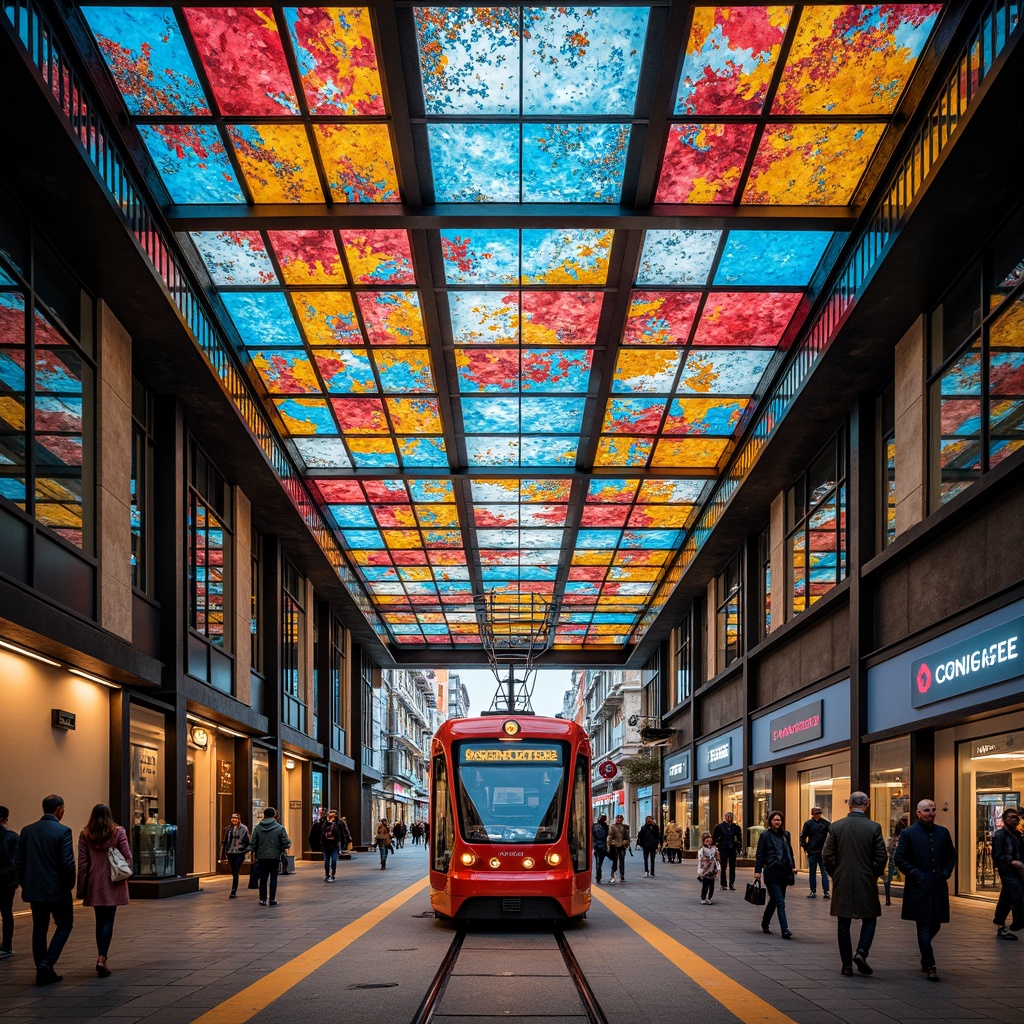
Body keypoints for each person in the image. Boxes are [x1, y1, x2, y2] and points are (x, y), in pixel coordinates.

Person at [822, 791, 887, 977]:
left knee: (843, 922)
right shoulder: (874, 827)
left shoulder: (835, 827)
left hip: (842, 879)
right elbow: (882, 855)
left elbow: (827, 855)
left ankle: (846, 965)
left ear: (849, 804)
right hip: (866, 879)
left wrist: (835, 872)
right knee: (870, 917)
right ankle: (861, 952)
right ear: (867, 803)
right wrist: (873, 874)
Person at [894, 798, 957, 981]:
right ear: (918, 813)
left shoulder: (942, 833)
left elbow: (951, 856)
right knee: (922, 925)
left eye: (933, 810)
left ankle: (925, 955)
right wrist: (916, 874)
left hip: (937, 884)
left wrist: (946, 872)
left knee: (935, 923)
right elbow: (900, 858)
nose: (931, 813)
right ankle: (930, 965)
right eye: (927, 810)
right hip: (919, 886)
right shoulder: (909, 833)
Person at [15, 794, 75, 985]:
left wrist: (25, 883)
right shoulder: (63, 831)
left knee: (39, 928)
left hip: (35, 889)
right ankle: (47, 964)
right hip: (57, 889)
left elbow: (18, 861)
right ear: (59, 810)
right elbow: (67, 863)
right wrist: (69, 885)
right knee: (64, 925)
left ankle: (42, 968)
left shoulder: (27, 831)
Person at [77, 803, 132, 978]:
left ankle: (101, 955)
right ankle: (102, 958)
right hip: (113, 880)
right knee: (109, 920)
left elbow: (83, 864)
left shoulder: (85, 834)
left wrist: (81, 888)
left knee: (99, 920)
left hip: (94, 882)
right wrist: (127, 872)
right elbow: (127, 856)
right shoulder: (118, 832)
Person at [754, 810, 795, 939]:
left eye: (779, 820)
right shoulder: (765, 835)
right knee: (780, 902)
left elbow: (790, 851)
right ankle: (785, 930)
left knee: (775, 900)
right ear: (770, 821)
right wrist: (757, 871)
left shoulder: (786, 835)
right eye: (775, 819)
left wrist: (792, 866)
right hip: (771, 871)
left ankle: (765, 923)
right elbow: (760, 853)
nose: (777, 822)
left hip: (784, 872)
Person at [992, 806, 1024, 939]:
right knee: (1018, 896)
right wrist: (1011, 863)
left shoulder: (1017, 835)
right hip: (1008, 871)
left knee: (1006, 898)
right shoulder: (1000, 835)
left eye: (1016, 817)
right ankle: (1018, 923)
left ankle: (1000, 925)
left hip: (1019, 871)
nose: (1014, 820)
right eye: (1011, 817)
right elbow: (997, 855)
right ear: (1004, 819)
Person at [249, 807, 291, 907]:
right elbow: (286, 843)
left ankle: (262, 899)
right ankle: (272, 899)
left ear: (264, 815)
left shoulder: (258, 828)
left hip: (262, 856)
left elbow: (253, 844)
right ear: (274, 815)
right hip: (274, 856)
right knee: (273, 878)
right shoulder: (280, 828)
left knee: (263, 878)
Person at [800, 806, 831, 899]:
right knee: (816, 872)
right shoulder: (824, 823)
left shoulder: (822, 824)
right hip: (816, 850)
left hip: (818, 850)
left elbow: (802, 837)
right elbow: (803, 837)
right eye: (815, 814)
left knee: (821, 872)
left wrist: (806, 847)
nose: (817, 815)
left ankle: (823, 891)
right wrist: (806, 847)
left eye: (818, 814)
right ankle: (818, 891)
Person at [0, 806, 19, 959]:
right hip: (7, 880)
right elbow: (18, 860)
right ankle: (6, 945)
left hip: (7, 879)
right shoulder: (12, 837)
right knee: (6, 911)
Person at [221, 812, 250, 899]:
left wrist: (244, 850)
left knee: (236, 870)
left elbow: (247, 841)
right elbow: (226, 841)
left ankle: (233, 891)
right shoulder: (229, 829)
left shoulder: (244, 828)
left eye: (236, 818)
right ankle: (234, 888)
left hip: (239, 852)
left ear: (239, 819)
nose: (234, 820)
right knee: (233, 870)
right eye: (232, 818)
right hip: (230, 852)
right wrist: (224, 852)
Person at [712, 811, 743, 890]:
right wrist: (715, 845)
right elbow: (714, 837)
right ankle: (723, 884)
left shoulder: (735, 827)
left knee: (732, 867)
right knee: (723, 867)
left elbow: (739, 838)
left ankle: (731, 884)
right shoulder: (719, 826)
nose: (729, 818)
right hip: (723, 848)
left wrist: (739, 847)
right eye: (728, 817)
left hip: (732, 848)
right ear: (725, 817)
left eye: (731, 817)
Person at [883, 816, 907, 906]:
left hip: (894, 859)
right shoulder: (900, 837)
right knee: (889, 877)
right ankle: (888, 897)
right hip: (894, 859)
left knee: (889, 878)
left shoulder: (897, 837)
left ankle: (888, 897)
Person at [697, 831, 720, 904]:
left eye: (710, 838)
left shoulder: (714, 848)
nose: (709, 840)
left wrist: (717, 858)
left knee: (712, 886)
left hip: (712, 870)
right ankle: (703, 898)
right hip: (705, 871)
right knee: (705, 885)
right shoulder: (702, 850)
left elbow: (718, 857)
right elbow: (700, 859)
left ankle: (709, 898)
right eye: (707, 838)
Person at [321, 809, 343, 882]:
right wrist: (327, 819)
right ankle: (327, 875)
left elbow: (340, 834)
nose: (332, 817)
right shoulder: (325, 823)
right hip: (326, 846)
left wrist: (340, 846)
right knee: (326, 861)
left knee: (333, 861)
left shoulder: (337, 824)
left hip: (334, 846)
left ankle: (333, 874)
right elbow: (322, 830)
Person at [608, 814, 630, 884]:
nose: (619, 820)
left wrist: (627, 842)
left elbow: (627, 836)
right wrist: (608, 845)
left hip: (622, 846)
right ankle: (613, 875)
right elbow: (610, 836)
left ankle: (622, 875)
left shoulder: (625, 827)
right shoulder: (612, 826)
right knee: (615, 861)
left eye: (621, 819)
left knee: (622, 861)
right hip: (614, 845)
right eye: (618, 818)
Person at [591, 814, 609, 884]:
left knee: (600, 862)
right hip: (597, 847)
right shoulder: (595, 826)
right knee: (598, 862)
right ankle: (598, 876)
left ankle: (598, 875)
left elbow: (607, 836)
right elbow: (592, 835)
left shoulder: (606, 827)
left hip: (603, 847)